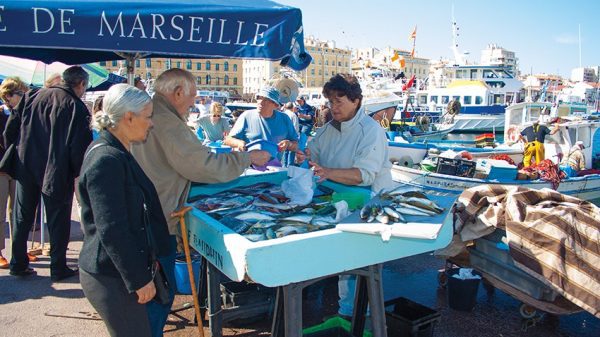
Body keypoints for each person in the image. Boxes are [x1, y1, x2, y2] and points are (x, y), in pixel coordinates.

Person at [130, 68, 270, 337]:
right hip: (156, 220)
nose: (195, 102)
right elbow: (202, 165)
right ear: (177, 92)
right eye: (192, 96)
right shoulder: (166, 121)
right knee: (158, 297)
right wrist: (247, 159)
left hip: (147, 214)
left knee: (150, 300)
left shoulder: (153, 112)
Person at [295, 74, 393, 318]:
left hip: (370, 204)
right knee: (343, 261)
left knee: (361, 267)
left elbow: (365, 175)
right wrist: (303, 155)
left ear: (357, 101)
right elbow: (314, 153)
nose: (333, 107)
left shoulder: (371, 131)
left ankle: (359, 317)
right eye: (330, 101)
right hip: (341, 199)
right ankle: (344, 306)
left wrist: (327, 171)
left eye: (340, 101)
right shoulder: (328, 129)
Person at [78, 83, 171, 337]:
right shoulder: (106, 160)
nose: (151, 123)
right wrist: (139, 279)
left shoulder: (118, 151)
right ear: (128, 117)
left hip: (116, 272)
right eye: (148, 116)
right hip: (110, 276)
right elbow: (112, 229)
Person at [4, 66, 92, 279]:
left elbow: (10, 129)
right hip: (56, 168)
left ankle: (18, 262)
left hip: (27, 163)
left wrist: (18, 151)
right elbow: (79, 148)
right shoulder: (76, 107)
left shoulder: (33, 96)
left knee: (22, 216)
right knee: (57, 220)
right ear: (80, 84)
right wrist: (78, 173)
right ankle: (58, 267)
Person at [0, 77, 30, 269]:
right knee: (0, 211)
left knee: (16, 212)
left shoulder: (23, 113)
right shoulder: (4, 114)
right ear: (9, 95)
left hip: (18, 167)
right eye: (21, 93)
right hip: (2, 168)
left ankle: (19, 251)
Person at [224, 86, 298, 156]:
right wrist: (238, 143)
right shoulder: (246, 116)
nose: (261, 102)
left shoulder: (284, 119)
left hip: (274, 167)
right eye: (259, 98)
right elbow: (227, 140)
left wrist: (289, 144)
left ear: (275, 105)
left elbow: (296, 145)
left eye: (266, 100)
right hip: (249, 166)